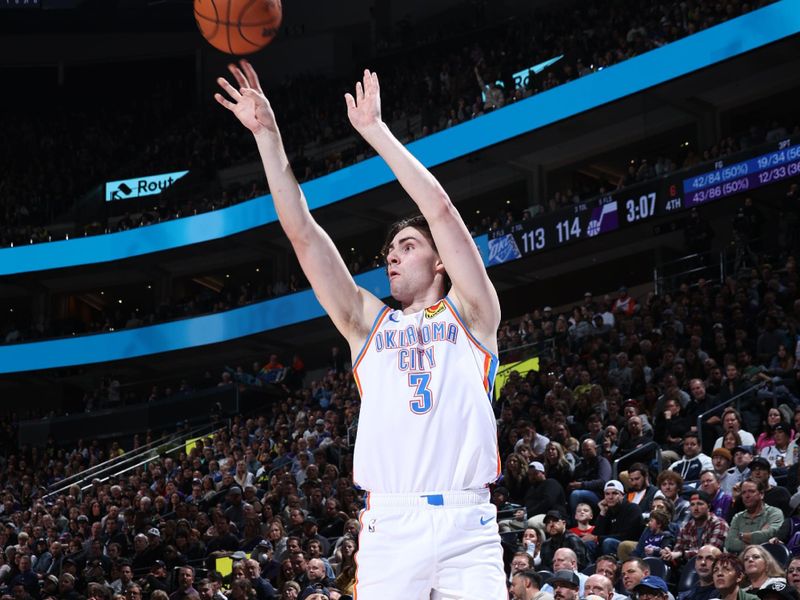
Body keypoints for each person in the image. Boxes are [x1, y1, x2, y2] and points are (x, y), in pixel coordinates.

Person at [216, 62, 505, 598]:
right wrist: (268, 139)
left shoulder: (473, 314)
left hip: (470, 524)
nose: (392, 258)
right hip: (391, 525)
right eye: (389, 252)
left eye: (408, 247)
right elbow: (302, 233)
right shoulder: (367, 324)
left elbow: (439, 209)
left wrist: (376, 132)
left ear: (440, 263)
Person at [725, 479, 783, 553]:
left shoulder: (774, 513)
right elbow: (730, 543)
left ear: (761, 494)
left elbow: (769, 535)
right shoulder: (738, 517)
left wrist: (741, 536)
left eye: (751, 491)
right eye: (743, 493)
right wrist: (755, 546)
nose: (747, 496)